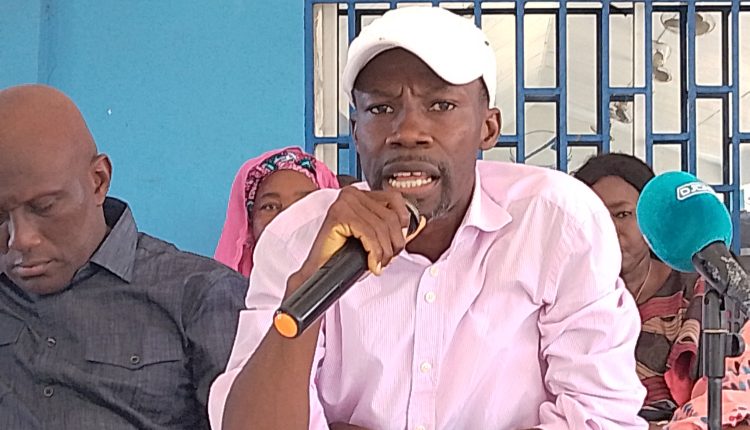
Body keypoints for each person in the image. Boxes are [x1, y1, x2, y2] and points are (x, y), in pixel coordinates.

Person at [210, 7, 647, 429]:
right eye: (381, 109)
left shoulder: (556, 222)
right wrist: (311, 283)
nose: (407, 133)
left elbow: (600, 417)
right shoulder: (298, 235)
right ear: (356, 132)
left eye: (440, 105)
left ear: (488, 128)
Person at [0, 84, 248, 430]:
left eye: (44, 207)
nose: (20, 240)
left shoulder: (199, 297)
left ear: (98, 181)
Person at [574, 153, 704, 424]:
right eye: (596, 216)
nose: (609, 229)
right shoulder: (562, 299)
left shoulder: (695, 292)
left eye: (622, 214)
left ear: (651, 220)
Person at [214, 147, 339, 277]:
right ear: (250, 225)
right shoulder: (225, 288)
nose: (287, 218)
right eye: (270, 207)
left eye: (304, 203)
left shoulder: (351, 285)